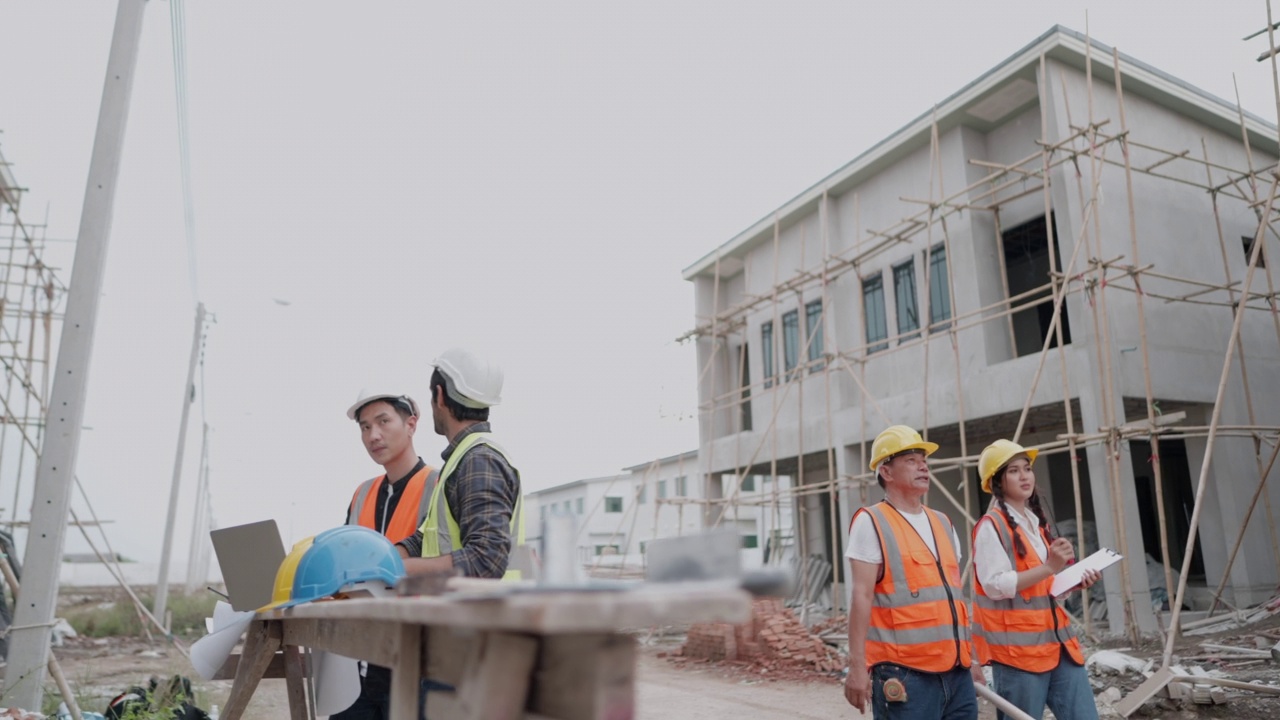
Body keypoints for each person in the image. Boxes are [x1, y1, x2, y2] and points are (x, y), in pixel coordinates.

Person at [844, 425, 980, 720]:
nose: (923, 466)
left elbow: (954, 599)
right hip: (905, 674)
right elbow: (861, 596)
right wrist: (857, 666)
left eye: (924, 460)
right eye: (911, 460)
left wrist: (972, 659)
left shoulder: (943, 522)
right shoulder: (872, 522)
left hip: (957, 672)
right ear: (887, 472)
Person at [971, 439, 1100, 720]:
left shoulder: (1034, 524)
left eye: (1027, 468)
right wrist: (1050, 566)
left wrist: (1073, 582)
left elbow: (1045, 586)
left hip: (1060, 647)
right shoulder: (991, 527)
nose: (1024, 476)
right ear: (997, 481)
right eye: (1014, 471)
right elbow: (996, 585)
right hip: (1020, 656)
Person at [334, 391, 438, 720]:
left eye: (383, 422)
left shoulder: (439, 486)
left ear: (411, 424)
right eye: (365, 427)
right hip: (358, 665)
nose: (373, 435)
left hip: (416, 665)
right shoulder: (362, 492)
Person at [397, 348, 525, 579]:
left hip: (483, 614)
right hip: (466, 613)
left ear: (440, 395)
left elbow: (486, 560)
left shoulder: (479, 461)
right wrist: (381, 559)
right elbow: (427, 538)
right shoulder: (463, 460)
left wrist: (396, 570)